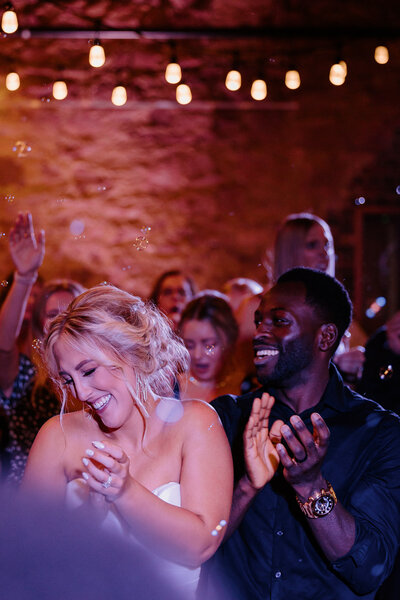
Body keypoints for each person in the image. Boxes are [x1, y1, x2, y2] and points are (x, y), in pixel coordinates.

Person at [202, 267, 400, 600]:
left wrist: (311, 486)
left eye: (279, 321)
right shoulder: (228, 417)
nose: (260, 332)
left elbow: (369, 571)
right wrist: (247, 486)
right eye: (259, 320)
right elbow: (196, 547)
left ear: (325, 337)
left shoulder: (379, 434)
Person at [22, 285, 233, 597]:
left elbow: (201, 545)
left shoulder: (196, 423)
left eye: (89, 371)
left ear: (131, 350)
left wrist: (125, 492)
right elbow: (27, 555)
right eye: (69, 379)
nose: (80, 393)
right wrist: (90, 514)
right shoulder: (58, 436)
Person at [0, 212, 85, 484]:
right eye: (52, 314)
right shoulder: (25, 375)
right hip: (26, 501)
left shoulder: (101, 376)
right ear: (39, 324)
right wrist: (25, 277)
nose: (63, 321)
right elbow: (3, 345)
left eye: (72, 311)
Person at [236, 212, 366, 389]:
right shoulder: (255, 307)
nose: (324, 253)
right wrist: (333, 363)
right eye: (312, 245)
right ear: (290, 252)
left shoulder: (334, 310)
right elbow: (252, 373)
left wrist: (355, 364)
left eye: (327, 245)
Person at [177, 294, 241, 403]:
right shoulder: (171, 388)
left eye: (209, 345)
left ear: (228, 342)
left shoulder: (244, 386)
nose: (197, 355)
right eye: (189, 345)